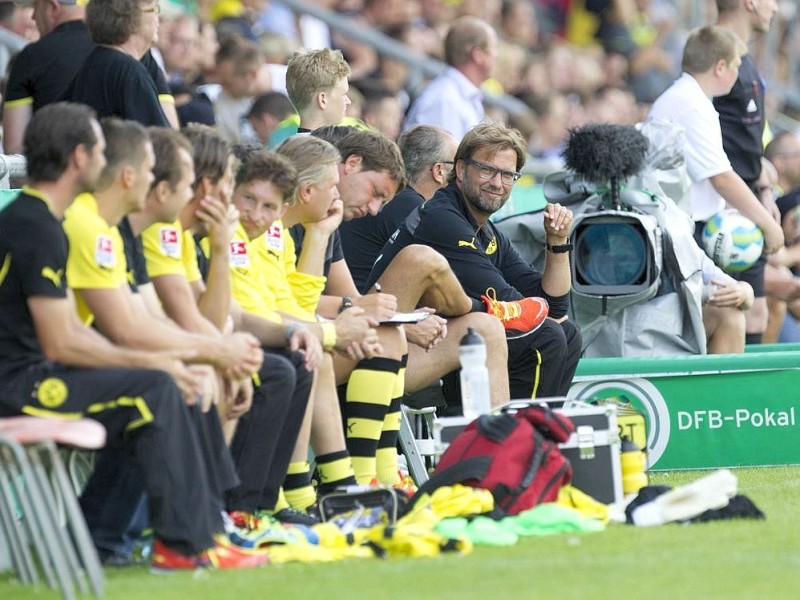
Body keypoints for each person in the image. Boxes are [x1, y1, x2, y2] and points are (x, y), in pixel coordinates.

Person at [0, 102, 265, 570]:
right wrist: (160, 362)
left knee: (158, 387)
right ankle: (185, 543)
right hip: (20, 385)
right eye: (103, 154)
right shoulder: (40, 225)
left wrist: (177, 359)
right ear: (81, 158)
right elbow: (64, 341)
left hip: (37, 373)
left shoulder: (47, 221)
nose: (114, 168)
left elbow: (78, 331)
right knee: (156, 387)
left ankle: (179, 532)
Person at [367, 122, 581, 399]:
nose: (496, 183)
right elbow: (513, 308)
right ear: (460, 170)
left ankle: (535, 435)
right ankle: (521, 436)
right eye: (486, 170)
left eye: (507, 175)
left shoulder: (485, 229)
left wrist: (557, 241)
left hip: (433, 338)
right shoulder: (442, 218)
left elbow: (554, 305)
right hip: (398, 342)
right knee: (547, 336)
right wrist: (533, 310)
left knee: (568, 333)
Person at [646, 26, 783, 267]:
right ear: (720, 67)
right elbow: (721, 178)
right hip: (681, 229)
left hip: (681, 224)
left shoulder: (689, 98)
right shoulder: (691, 105)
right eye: (736, 65)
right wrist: (769, 225)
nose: (738, 72)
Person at [713, 0, 782, 346]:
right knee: (732, 312)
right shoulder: (714, 55)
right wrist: (763, 219)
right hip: (724, 213)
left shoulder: (743, 56)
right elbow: (709, 152)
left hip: (749, 201)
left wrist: (764, 188)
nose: (777, 8)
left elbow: (748, 141)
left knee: (760, 311)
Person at [339, 124, 458, 291]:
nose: (374, 209)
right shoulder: (412, 207)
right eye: (456, 168)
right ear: (439, 171)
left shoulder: (399, 199)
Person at [61, 0, 171, 127]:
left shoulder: (95, 61)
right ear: (131, 20)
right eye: (153, 9)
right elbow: (159, 139)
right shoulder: (130, 71)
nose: (158, 18)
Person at [402, 16, 497, 141]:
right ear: (478, 55)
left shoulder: (460, 96)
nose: (497, 56)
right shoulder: (445, 99)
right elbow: (443, 158)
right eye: (494, 48)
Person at [285, 47, 352, 135]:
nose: (348, 101)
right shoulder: (343, 147)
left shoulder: (287, 147)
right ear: (322, 100)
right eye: (343, 94)